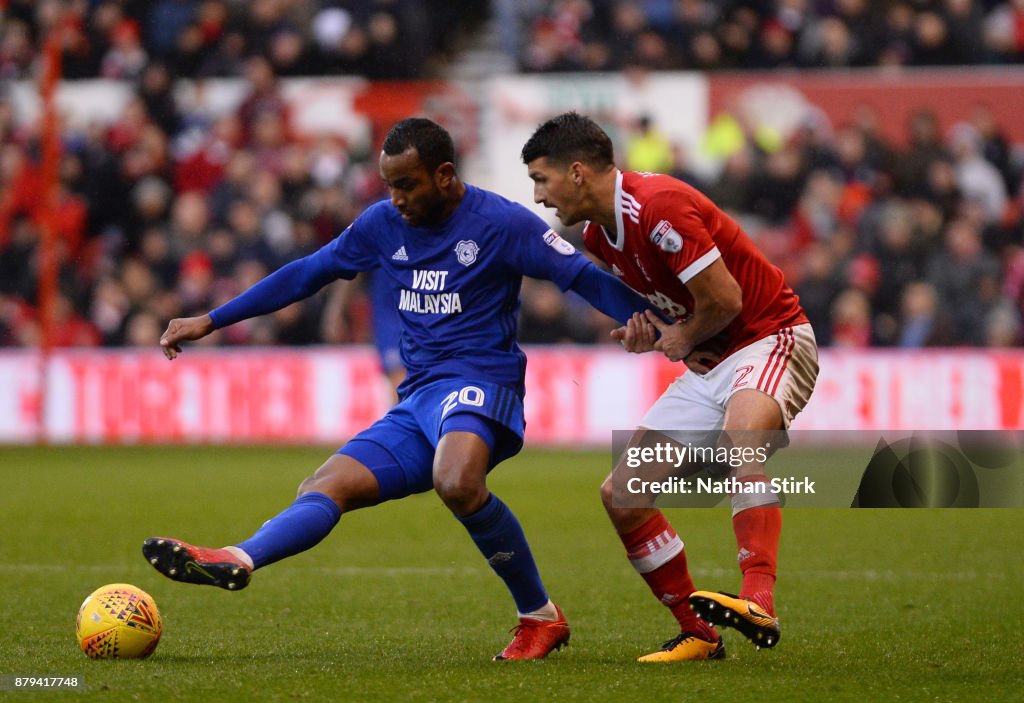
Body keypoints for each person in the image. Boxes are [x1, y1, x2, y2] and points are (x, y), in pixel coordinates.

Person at [144, 117, 652, 661]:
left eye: (406, 184)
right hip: (420, 400)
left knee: (455, 479)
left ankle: (534, 614)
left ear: (445, 175)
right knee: (326, 483)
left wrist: (654, 323)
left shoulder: (503, 223)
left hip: (483, 383)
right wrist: (214, 319)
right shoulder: (382, 225)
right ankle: (238, 558)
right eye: (389, 185)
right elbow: (308, 272)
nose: (397, 198)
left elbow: (583, 276)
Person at [521, 112, 819, 662]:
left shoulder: (657, 206)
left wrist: (679, 334)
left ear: (578, 172)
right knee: (622, 494)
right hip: (709, 366)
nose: (539, 195)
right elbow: (673, 307)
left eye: (542, 179)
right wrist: (650, 331)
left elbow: (726, 300)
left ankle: (758, 599)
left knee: (742, 439)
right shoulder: (597, 236)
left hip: (768, 338)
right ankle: (699, 633)